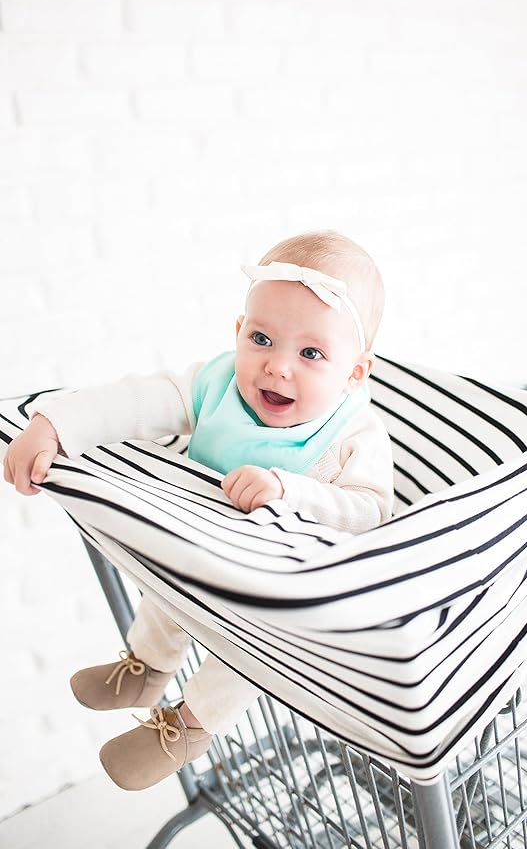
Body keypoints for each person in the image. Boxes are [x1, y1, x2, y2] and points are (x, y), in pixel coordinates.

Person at [3, 230, 394, 790]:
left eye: (311, 353)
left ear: (355, 372)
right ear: (238, 332)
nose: (278, 367)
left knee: (253, 649)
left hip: (279, 595)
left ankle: (188, 726)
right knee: (165, 588)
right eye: (262, 338)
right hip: (202, 552)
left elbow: (369, 511)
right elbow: (137, 401)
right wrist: (54, 425)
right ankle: (147, 667)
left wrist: (289, 491)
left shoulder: (354, 433)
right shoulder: (215, 385)